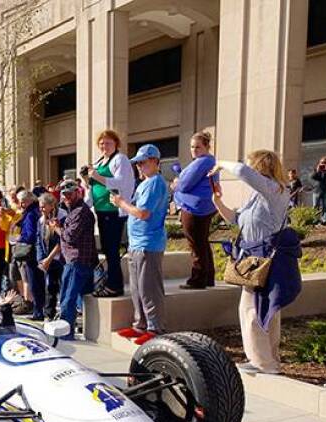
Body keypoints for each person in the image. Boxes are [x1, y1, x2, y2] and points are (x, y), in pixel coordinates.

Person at [210, 150, 297, 375]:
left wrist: (220, 163)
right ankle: (269, 360)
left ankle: (262, 362)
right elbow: (236, 220)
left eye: (252, 166)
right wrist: (217, 202)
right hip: (253, 258)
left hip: (264, 259)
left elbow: (241, 171)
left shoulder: (274, 190)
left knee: (252, 310)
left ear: (259, 167)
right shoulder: (258, 196)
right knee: (265, 308)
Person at [113, 145, 169, 344]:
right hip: (137, 243)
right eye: (137, 163)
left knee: (149, 288)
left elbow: (143, 213)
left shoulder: (155, 183)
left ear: (155, 161)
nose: (139, 166)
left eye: (143, 162)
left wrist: (121, 203)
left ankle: (155, 327)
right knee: (137, 288)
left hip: (148, 243)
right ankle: (141, 324)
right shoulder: (145, 183)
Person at [83, 129, 136, 297]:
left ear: (116, 144)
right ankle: (111, 281)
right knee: (106, 249)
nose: (104, 146)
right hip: (101, 210)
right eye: (101, 143)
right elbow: (93, 187)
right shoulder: (100, 161)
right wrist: (87, 179)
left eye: (108, 143)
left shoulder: (120, 159)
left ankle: (115, 286)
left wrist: (97, 176)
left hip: (113, 211)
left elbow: (121, 182)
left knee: (112, 250)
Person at [172, 131, 218, 289]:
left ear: (207, 147)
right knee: (202, 242)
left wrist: (177, 184)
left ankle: (198, 279)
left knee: (196, 245)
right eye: (192, 147)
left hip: (194, 208)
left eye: (198, 147)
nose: (194, 150)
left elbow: (184, 184)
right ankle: (209, 276)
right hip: (205, 206)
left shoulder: (202, 162)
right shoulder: (210, 161)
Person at [51, 179, 97, 337]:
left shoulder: (81, 212)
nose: (66, 197)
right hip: (80, 262)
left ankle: (65, 335)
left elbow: (70, 237)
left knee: (67, 301)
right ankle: (75, 332)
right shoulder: (75, 211)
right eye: (64, 195)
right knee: (76, 301)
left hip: (76, 263)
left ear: (78, 192)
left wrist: (57, 228)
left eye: (70, 194)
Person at [15, 190, 46, 320]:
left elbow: (30, 234)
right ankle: (40, 309)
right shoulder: (36, 211)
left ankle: (38, 311)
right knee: (39, 281)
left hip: (31, 251)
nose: (20, 204)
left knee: (34, 281)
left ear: (27, 201)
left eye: (22, 202)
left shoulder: (30, 214)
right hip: (38, 250)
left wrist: (19, 238)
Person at [36, 193, 66, 320]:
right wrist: (41, 259)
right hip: (48, 259)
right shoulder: (41, 220)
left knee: (64, 286)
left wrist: (49, 258)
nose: (41, 209)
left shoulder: (62, 216)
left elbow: (62, 241)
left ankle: (67, 315)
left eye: (43, 206)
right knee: (50, 288)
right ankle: (49, 315)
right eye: (40, 207)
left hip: (61, 259)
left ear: (51, 205)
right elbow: (38, 240)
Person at [311, 156, 326, 225]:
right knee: (315, 206)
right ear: (319, 162)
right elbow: (312, 177)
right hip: (317, 190)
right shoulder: (316, 169)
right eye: (322, 162)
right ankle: (315, 219)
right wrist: (318, 170)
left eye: (325, 162)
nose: (323, 164)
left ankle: (324, 220)